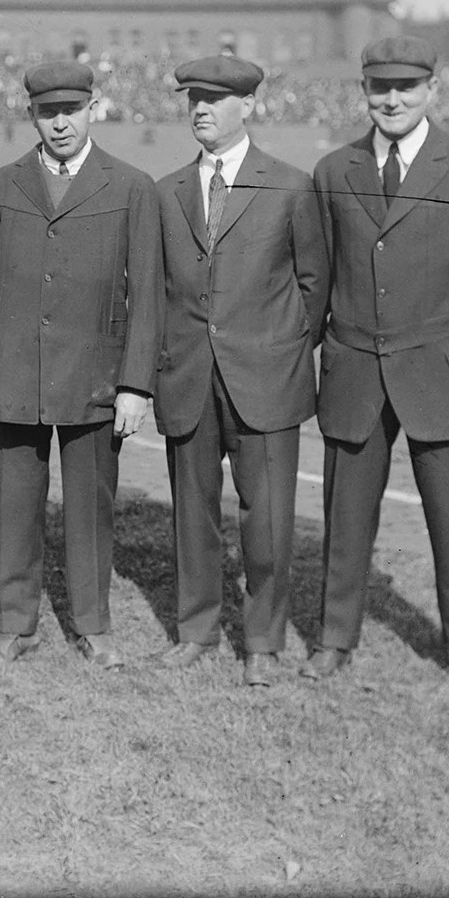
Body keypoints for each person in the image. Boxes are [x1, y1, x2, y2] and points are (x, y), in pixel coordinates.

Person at [305, 36, 449, 693]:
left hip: (446, 376)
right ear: (364, 91)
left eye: (406, 87)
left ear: (432, 89)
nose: (392, 99)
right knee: (345, 521)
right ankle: (334, 639)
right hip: (355, 375)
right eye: (380, 88)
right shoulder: (333, 170)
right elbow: (318, 280)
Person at [0, 61, 163, 670]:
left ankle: (93, 623)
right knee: (16, 504)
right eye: (48, 113)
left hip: (94, 379)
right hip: (13, 374)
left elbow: (147, 297)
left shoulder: (130, 186)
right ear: (32, 116)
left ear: (93, 107)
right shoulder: (1, 184)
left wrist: (134, 386)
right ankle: (15, 622)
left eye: (71, 110)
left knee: (90, 507)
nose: (60, 123)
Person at [151, 56, 328, 685]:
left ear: (248, 105)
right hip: (189, 377)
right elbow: (156, 290)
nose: (200, 108)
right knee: (192, 514)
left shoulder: (289, 185)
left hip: (266, 380)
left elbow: (315, 286)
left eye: (215, 99)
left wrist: (276, 348)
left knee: (269, 518)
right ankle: (196, 628)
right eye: (193, 98)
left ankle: (262, 641)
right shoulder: (167, 190)